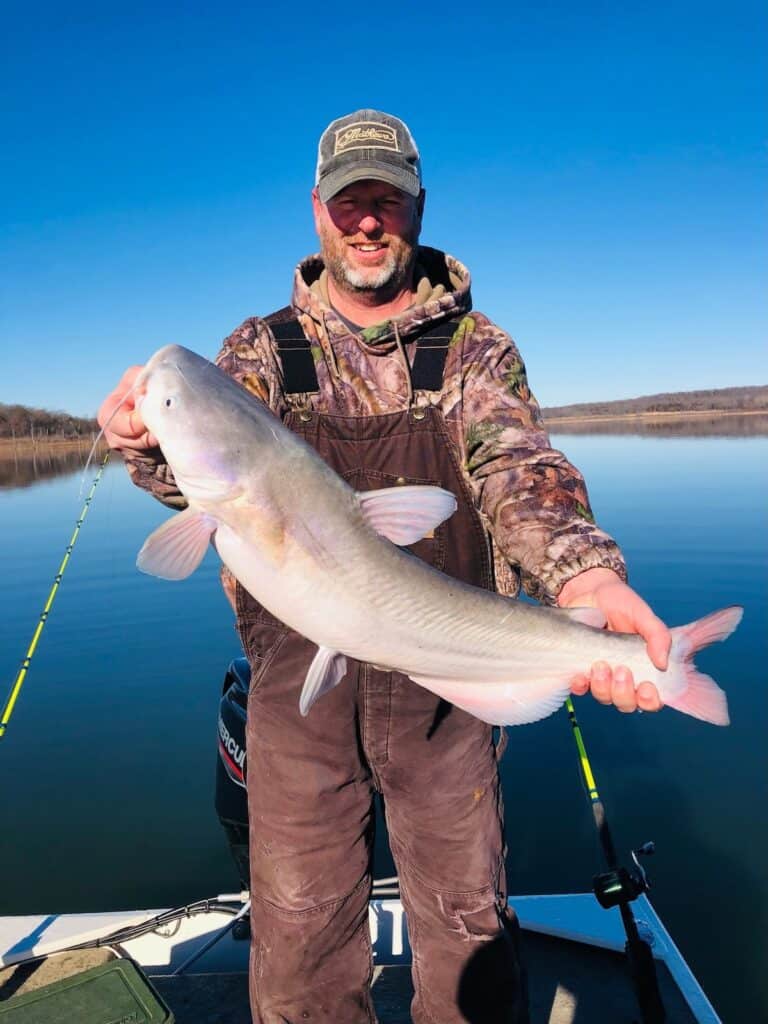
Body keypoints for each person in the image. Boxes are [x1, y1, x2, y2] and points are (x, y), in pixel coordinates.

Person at [99, 109, 670, 1024]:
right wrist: (145, 443)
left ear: (417, 208)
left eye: (387, 202)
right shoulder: (260, 350)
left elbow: (518, 469)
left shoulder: (475, 348)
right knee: (297, 928)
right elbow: (195, 478)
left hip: (445, 682)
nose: (367, 222)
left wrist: (585, 580)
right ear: (317, 212)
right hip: (298, 683)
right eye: (349, 201)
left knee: (465, 918)